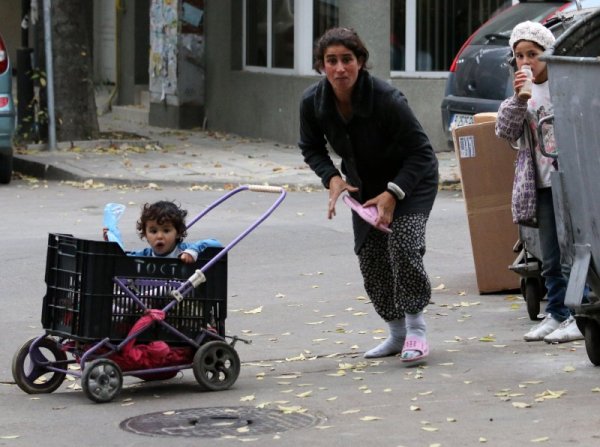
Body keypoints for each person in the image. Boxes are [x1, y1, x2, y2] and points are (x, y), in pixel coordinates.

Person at [298, 27, 439, 363]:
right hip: (363, 186)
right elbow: (311, 147)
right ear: (322, 66)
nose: (340, 68)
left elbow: (422, 152)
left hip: (410, 180)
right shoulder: (312, 102)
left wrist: (393, 193)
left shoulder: (387, 99)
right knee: (371, 259)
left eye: (347, 59)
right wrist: (331, 177)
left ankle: (416, 330)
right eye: (331, 61)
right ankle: (396, 334)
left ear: (360, 61)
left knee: (403, 245)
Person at [495, 21, 583, 343]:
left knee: (575, 250)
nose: (526, 62)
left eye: (533, 54)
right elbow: (504, 131)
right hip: (542, 183)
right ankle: (557, 313)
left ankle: (580, 313)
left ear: (549, 54)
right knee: (550, 253)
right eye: (519, 55)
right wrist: (519, 99)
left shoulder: (565, 84)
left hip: (572, 181)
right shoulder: (521, 94)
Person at [104, 200, 221, 263]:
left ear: (178, 232)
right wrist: (111, 241)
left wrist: (193, 251)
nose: (159, 236)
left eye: (166, 230)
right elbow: (123, 259)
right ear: (145, 234)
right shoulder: (145, 256)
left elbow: (216, 244)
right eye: (153, 231)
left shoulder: (184, 251)